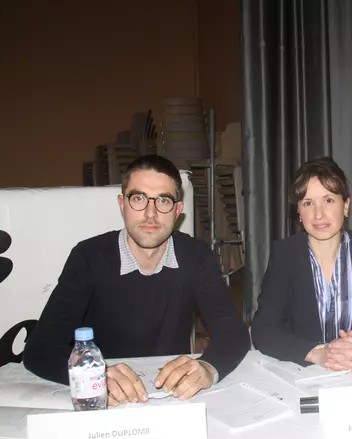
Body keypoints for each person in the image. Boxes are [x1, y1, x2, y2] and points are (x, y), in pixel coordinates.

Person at [23, 155, 249, 405]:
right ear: (122, 204)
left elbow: (233, 332)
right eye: (138, 198)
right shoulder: (89, 257)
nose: (150, 213)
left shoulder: (196, 256)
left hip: (170, 399)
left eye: (163, 200)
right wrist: (94, 375)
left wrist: (208, 367)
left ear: (177, 210)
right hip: (107, 398)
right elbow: (39, 349)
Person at [251, 157, 352, 369]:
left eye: (328, 200)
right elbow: (264, 329)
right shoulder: (285, 255)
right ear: (298, 212)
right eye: (308, 203)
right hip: (304, 375)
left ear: (346, 205)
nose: (318, 214)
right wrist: (318, 353)